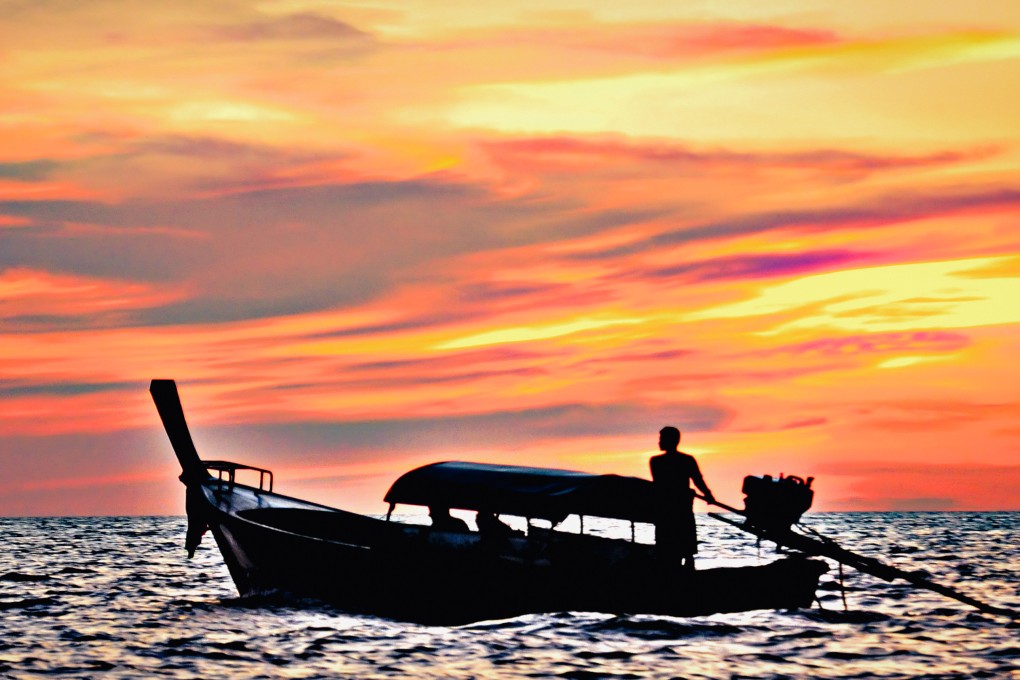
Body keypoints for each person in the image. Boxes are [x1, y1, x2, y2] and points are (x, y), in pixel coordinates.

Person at [649, 426, 715, 571]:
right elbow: (697, 480)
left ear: (671, 440)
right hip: (677, 506)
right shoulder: (686, 460)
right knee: (683, 544)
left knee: (669, 544)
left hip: (669, 508)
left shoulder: (656, 461)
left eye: (661, 438)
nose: (659, 442)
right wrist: (708, 495)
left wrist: (707, 494)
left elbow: (661, 485)